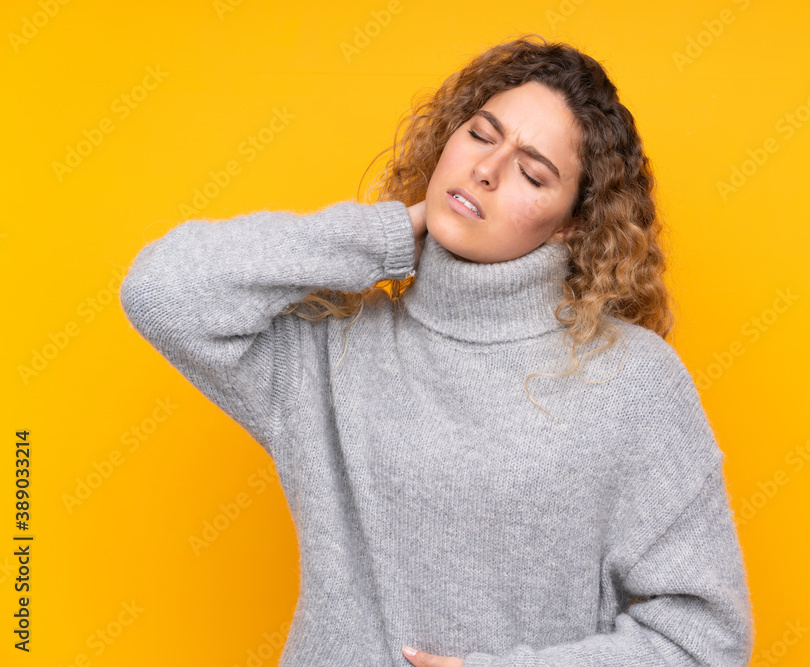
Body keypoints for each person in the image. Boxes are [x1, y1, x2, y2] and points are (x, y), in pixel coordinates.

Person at [120, 34, 754, 667]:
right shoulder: (332, 350)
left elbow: (704, 642)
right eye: (481, 134)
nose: (487, 169)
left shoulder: (633, 383)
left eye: (533, 172)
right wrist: (389, 230)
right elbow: (162, 290)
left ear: (570, 223)